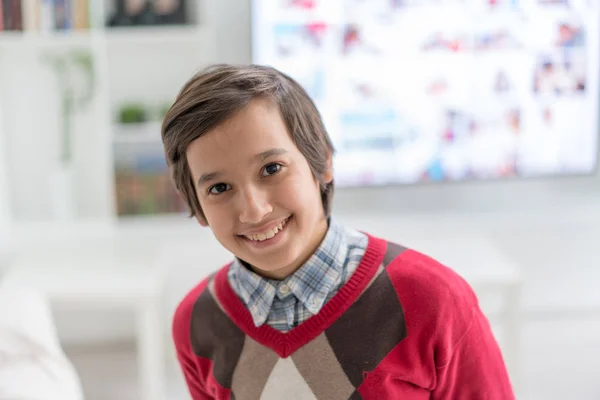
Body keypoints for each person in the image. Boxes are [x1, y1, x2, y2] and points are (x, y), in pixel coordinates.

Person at [163, 64, 515, 399]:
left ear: (324, 162)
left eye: (272, 168)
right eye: (220, 188)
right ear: (197, 208)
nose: (254, 210)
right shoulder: (196, 322)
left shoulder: (433, 299)